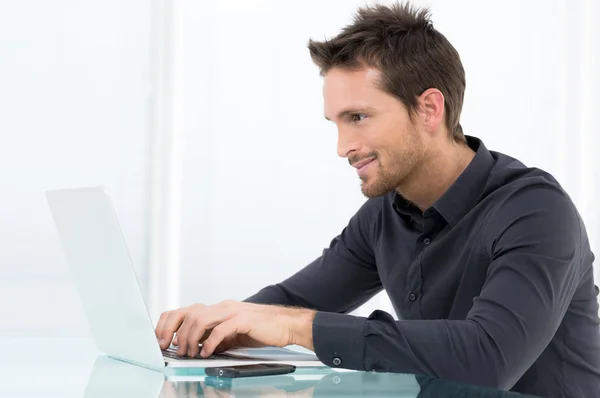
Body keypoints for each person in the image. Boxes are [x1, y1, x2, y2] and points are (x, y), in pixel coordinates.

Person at [155, 2, 600, 396]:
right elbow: (294, 298)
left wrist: (294, 326)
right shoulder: (385, 215)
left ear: (429, 108)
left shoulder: (536, 211)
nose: (342, 146)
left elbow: (489, 358)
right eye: (335, 122)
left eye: (359, 118)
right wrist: (217, 324)